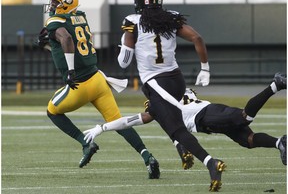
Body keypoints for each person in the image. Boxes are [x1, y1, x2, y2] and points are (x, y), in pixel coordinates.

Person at [90, 0, 224, 192]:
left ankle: (210, 163)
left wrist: (125, 44)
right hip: (176, 80)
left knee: (177, 128)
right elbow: (197, 38)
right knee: (153, 114)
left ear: (138, 2)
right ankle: (178, 146)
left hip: (155, 82)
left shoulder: (133, 22)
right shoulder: (171, 17)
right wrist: (204, 68)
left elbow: (124, 62)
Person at [37, 0, 160, 179]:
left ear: (66, 4)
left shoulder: (55, 22)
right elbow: (67, 45)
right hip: (98, 80)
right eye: (52, 2)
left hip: (80, 85)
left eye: (56, 2)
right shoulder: (80, 17)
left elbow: (67, 38)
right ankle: (148, 157)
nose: (52, 6)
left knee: (52, 111)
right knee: (118, 122)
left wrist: (70, 71)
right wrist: (47, 45)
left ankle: (85, 143)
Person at [84, 73, 287, 167]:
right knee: (248, 140)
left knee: (245, 117)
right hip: (207, 115)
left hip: (205, 115)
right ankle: (280, 142)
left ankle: (275, 86)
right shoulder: (177, 87)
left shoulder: (158, 103)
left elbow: (129, 121)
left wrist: (102, 127)